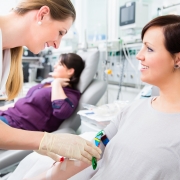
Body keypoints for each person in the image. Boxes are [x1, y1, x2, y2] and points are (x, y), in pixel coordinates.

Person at [14, 14, 180, 180]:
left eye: (149, 49)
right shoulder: (132, 109)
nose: (139, 55)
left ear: (177, 59)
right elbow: (94, 149)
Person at [0, 0, 101, 165]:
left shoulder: (7, 54)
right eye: (61, 32)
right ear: (42, 14)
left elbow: (61, 110)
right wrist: (46, 140)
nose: (57, 45)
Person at [0, 53, 84, 132]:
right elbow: (27, 101)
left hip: (18, 125)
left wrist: (56, 83)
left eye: (59, 65)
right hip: (8, 115)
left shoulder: (70, 93)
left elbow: (61, 111)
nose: (54, 66)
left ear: (70, 71)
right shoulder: (47, 84)